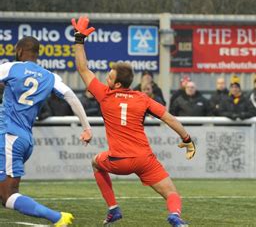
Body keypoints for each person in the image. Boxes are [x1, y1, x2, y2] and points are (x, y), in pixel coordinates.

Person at [71, 17, 195, 227]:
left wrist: (79, 39)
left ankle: (113, 209)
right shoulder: (142, 98)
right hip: (144, 160)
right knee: (172, 193)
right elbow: (169, 118)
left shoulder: (105, 94)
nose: (106, 79)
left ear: (117, 83)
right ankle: (175, 216)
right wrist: (187, 139)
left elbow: (83, 68)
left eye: (109, 78)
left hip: (119, 160)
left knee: (95, 162)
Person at [0, 36, 92, 226]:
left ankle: (57, 217)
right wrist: (86, 127)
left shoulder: (11, 67)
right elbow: (71, 97)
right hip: (25, 139)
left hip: (10, 137)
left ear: (19, 51)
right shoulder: (49, 77)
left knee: (8, 196)